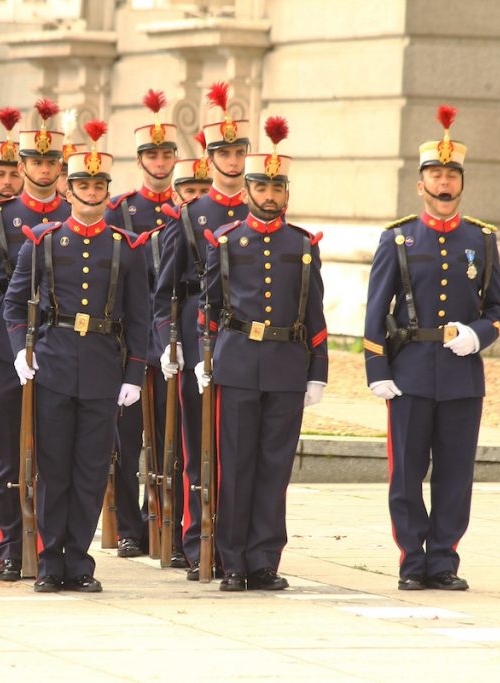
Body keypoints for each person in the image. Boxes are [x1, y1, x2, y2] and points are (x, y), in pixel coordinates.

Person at [362, 105, 500, 592]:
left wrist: (478, 335)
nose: (444, 184)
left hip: (461, 376)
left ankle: (443, 559)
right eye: (435, 175)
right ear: (420, 184)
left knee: (454, 475)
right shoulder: (398, 238)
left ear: (461, 183)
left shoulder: (481, 240)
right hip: (408, 371)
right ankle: (411, 559)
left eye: (451, 175)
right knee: (406, 473)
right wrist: (376, 367)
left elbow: (499, 311)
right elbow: (374, 309)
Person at [4, 119, 150, 593]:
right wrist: (20, 351)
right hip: (54, 363)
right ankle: (50, 562)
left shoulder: (124, 250)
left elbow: (140, 320)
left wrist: (133, 374)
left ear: (108, 190)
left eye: (99, 184)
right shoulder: (43, 243)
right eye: (82, 183)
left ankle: (78, 562)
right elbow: (13, 304)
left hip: (104, 368)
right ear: (68, 188)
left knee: (90, 471)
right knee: (53, 469)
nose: (90, 192)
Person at [197, 117, 328, 591]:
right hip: (236, 364)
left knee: (274, 468)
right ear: (247, 189)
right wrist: (204, 357)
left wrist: (319, 373)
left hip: (287, 367)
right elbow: (208, 308)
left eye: (277, 187)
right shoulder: (227, 242)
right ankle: (232, 560)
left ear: (286, 193)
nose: (269, 195)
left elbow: (314, 316)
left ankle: (264, 560)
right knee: (236, 465)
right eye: (261, 186)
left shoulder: (303, 245)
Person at [0, 99, 71, 580]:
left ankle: (54, 545)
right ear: (23, 164)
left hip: (65, 346)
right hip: (9, 346)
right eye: (35, 161)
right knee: (9, 451)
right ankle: (11, 542)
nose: (43, 169)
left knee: (58, 451)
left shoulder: (77, 213)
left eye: (52, 162)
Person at [154, 81, 250, 580]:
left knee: (241, 445)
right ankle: (198, 539)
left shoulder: (262, 210)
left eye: (239, 152)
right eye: (224, 153)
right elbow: (166, 291)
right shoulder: (191, 216)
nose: (232, 162)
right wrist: (169, 343)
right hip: (200, 336)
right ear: (209, 159)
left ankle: (241, 539)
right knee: (199, 445)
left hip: (248, 339)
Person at [103, 89, 178, 560]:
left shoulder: (190, 208)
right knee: (125, 444)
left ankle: (169, 521)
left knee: (172, 442)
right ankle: (130, 526)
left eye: (166, 152)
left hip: (172, 340)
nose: (159, 160)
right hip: (130, 340)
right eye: (151, 153)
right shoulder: (121, 209)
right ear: (140, 159)